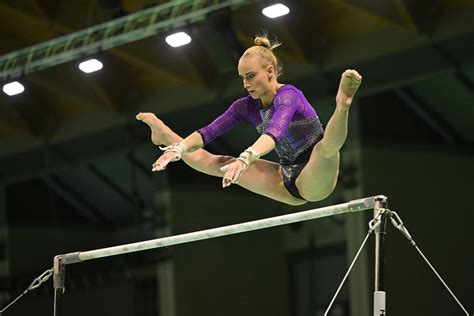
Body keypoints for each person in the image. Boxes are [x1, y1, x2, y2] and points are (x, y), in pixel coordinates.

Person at [136, 35, 362, 206]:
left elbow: (275, 131)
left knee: (325, 148)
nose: (245, 83)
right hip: (284, 179)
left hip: (314, 175)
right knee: (221, 163)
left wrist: (245, 159)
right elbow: (208, 133)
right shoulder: (244, 106)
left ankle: (342, 104)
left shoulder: (289, 96)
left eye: (251, 76)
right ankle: (167, 136)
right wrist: (182, 147)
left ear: (270, 71)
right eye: (242, 78)